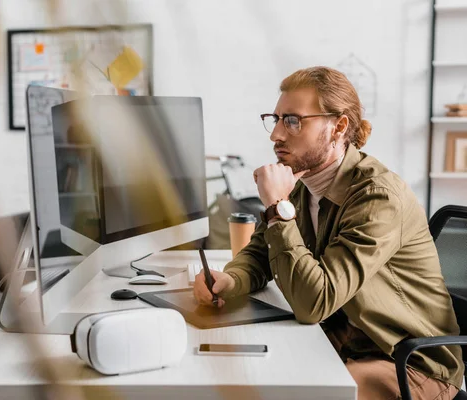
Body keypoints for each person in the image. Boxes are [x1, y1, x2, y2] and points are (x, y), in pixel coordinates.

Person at [193, 66, 463, 399]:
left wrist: (277, 205)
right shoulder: (302, 184)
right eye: (275, 119)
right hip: (343, 340)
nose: (275, 135)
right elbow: (261, 251)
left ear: (338, 127)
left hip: (406, 362)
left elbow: (314, 303)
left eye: (292, 120)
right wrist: (231, 280)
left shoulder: (377, 197)